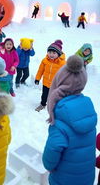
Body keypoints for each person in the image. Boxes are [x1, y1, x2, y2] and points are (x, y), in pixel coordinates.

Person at [43, 55, 97, 185]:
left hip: (63, 179)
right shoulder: (87, 109)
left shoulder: (61, 119)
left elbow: (52, 152)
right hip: (86, 178)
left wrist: (49, 166)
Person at [34, 40, 66, 112]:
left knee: (54, 96)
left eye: (54, 53)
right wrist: (37, 78)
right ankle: (42, 104)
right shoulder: (45, 61)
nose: (51, 54)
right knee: (44, 95)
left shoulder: (62, 63)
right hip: (45, 83)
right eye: (49, 52)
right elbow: (40, 70)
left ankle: (54, 105)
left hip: (55, 84)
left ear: (58, 53)